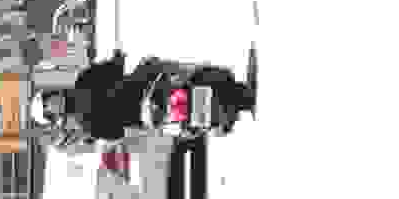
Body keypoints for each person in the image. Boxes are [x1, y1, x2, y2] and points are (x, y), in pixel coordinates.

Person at [54, 50, 251, 141]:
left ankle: (217, 123)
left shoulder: (87, 125)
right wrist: (118, 57)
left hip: (146, 115)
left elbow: (116, 134)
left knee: (177, 128)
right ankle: (225, 88)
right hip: (144, 83)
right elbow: (113, 68)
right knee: (163, 65)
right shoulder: (83, 81)